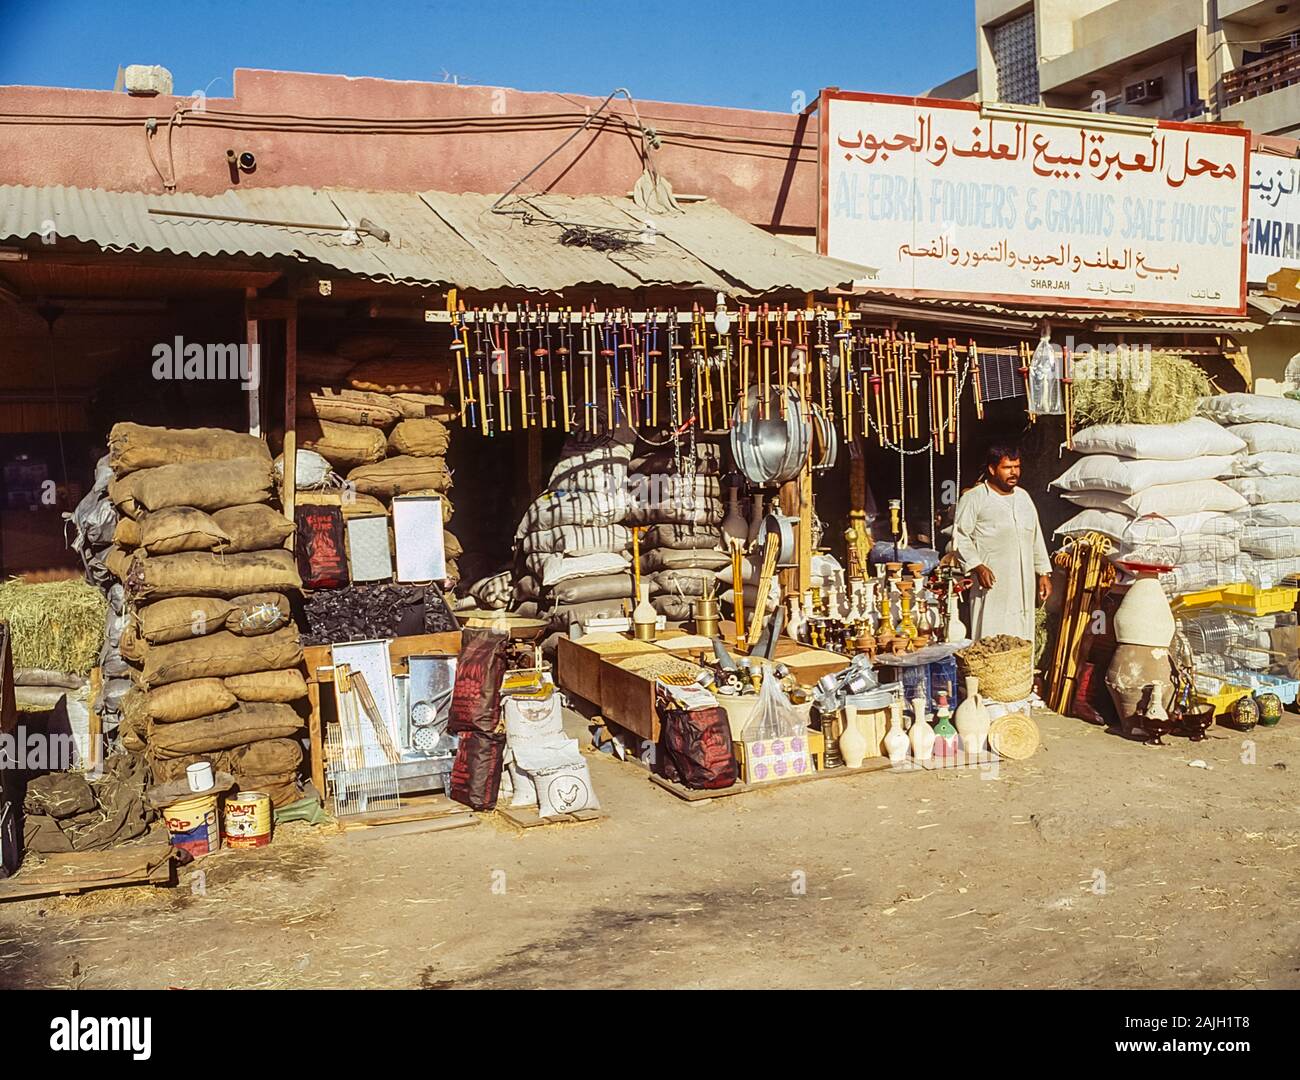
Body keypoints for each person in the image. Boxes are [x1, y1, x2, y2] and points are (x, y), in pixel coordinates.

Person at [951, 443, 1051, 641]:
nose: (1014, 472)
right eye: (1007, 468)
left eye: (1017, 467)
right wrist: (977, 566)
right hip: (993, 583)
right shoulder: (974, 498)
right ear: (992, 469)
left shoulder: (1024, 498)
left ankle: (1021, 672)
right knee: (992, 638)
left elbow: (1035, 537)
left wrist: (1043, 573)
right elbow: (960, 536)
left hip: (1023, 584)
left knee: (1022, 638)